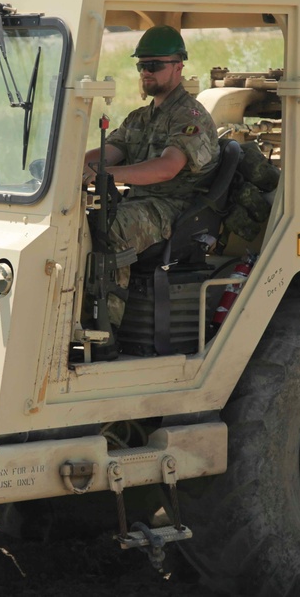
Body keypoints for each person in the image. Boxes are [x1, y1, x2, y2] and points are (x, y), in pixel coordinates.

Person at [82, 25, 219, 356]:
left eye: (154, 65)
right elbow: (105, 154)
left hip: (175, 209)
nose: (146, 72)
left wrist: (106, 175)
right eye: (141, 65)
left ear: (178, 67)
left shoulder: (190, 116)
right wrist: (72, 168)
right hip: (142, 202)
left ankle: (104, 333)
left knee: (109, 225)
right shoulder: (140, 118)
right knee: (82, 215)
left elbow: (167, 167)